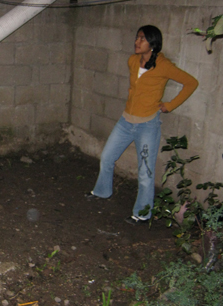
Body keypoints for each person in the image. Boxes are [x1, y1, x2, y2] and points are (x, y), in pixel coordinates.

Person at [85, 25, 198, 225]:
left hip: (147, 125)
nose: (137, 42)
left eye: (142, 39)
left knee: (145, 172)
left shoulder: (164, 65)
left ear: (152, 44)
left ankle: (142, 213)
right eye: (137, 38)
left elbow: (191, 83)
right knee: (107, 157)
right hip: (125, 121)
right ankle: (102, 192)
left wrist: (169, 105)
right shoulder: (132, 60)